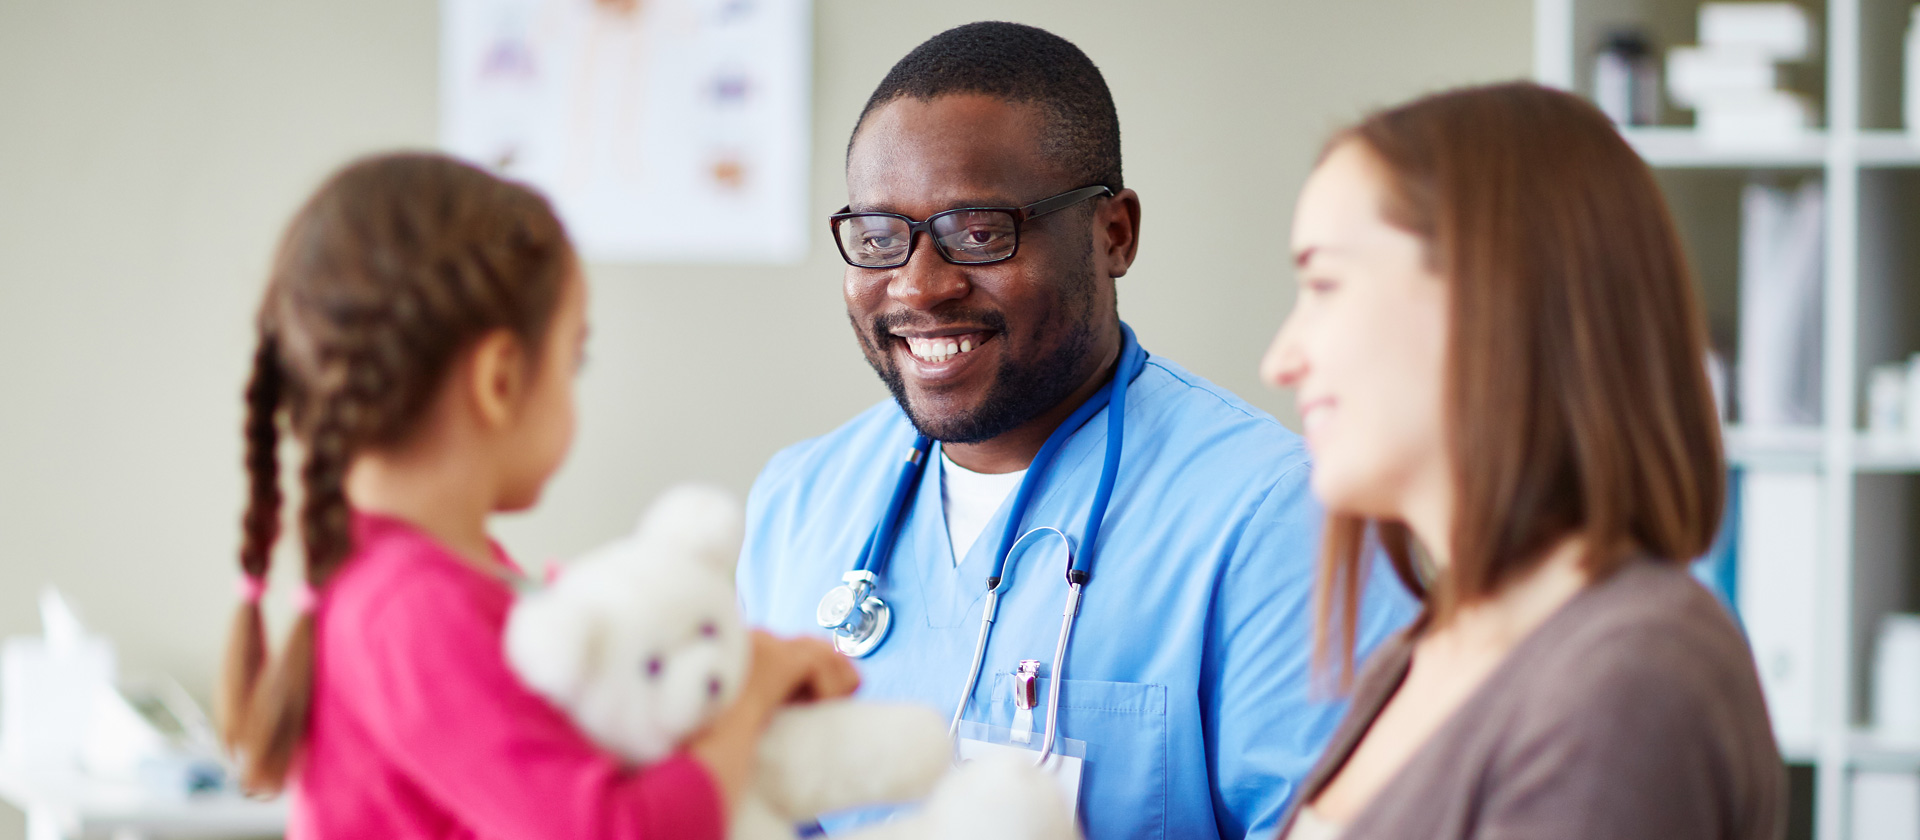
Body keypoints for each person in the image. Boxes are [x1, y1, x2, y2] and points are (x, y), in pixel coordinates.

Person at [736, 22, 1413, 839]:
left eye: (979, 233)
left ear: (1113, 233)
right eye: (880, 239)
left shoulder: (1278, 520)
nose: (918, 285)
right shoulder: (800, 502)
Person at [216, 153, 859, 839]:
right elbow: (617, 830)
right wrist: (753, 690)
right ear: (498, 379)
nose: (574, 387)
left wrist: (743, 684)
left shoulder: (423, 581)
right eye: (572, 359)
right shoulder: (413, 610)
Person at [1263, 82, 1785, 839]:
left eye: (1324, 284)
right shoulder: (1422, 655)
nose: (1281, 359)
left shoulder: (1628, 679)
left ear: (1489, 297)